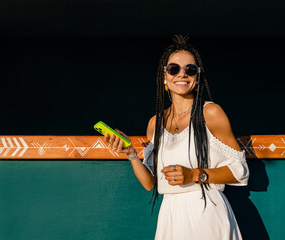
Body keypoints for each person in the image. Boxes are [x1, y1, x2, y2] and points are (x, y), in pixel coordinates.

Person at [104, 35, 249, 240]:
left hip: (206, 213)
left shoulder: (211, 113)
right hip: (171, 215)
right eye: (174, 69)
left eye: (190, 70)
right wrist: (131, 154)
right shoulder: (156, 123)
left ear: (197, 78)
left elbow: (241, 171)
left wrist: (195, 175)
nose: (182, 74)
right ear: (164, 77)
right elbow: (150, 184)